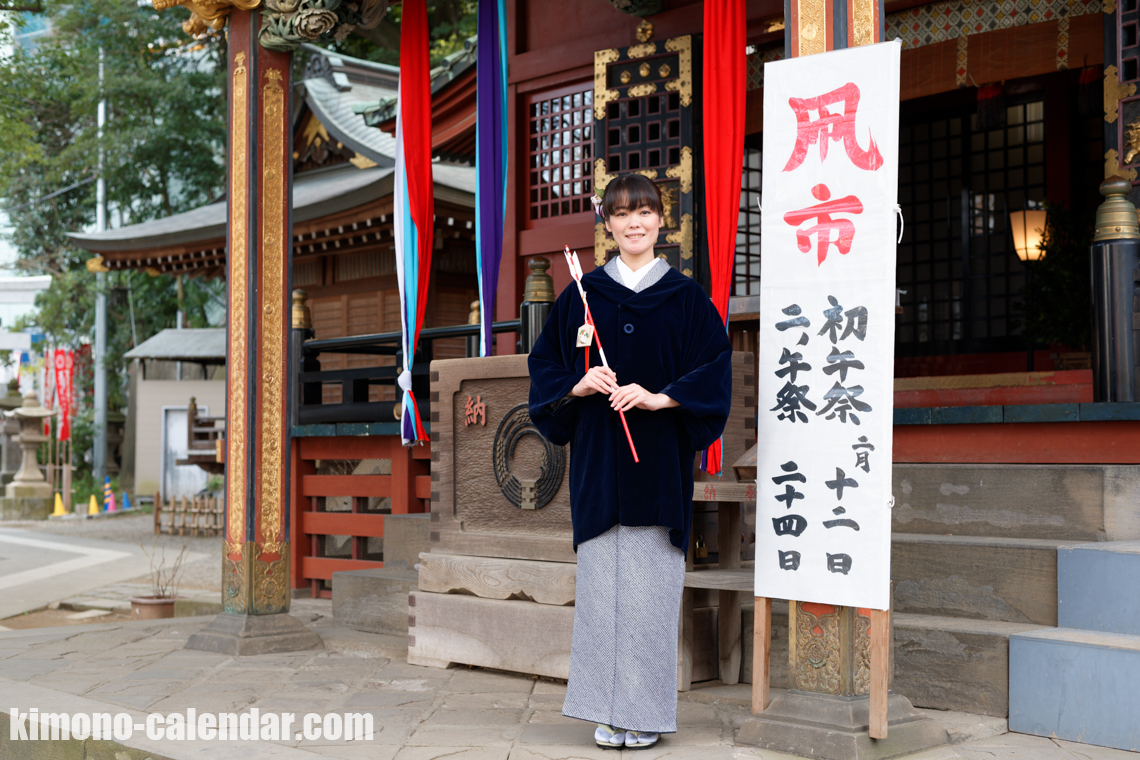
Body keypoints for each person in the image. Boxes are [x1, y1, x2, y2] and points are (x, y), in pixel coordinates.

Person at [527, 173, 733, 750]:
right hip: (598, 464)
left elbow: (715, 370)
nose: (634, 223)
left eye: (644, 212)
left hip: (659, 464)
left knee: (650, 593)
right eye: (621, 214)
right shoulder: (582, 295)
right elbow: (544, 372)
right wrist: (580, 384)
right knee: (600, 592)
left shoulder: (687, 299)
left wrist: (661, 396)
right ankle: (603, 708)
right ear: (608, 225)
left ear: (661, 221)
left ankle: (643, 713)